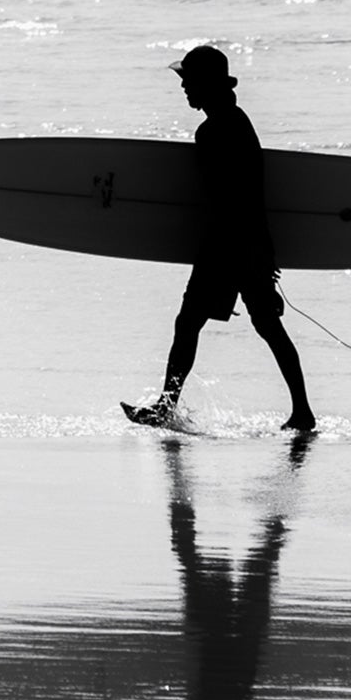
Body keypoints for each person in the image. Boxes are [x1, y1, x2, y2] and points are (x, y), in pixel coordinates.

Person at [127, 47, 315, 433]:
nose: (183, 87)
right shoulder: (235, 121)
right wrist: (262, 252)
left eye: (188, 81)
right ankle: (302, 411)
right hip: (244, 242)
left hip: (229, 244)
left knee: (192, 323)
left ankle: (166, 407)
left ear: (206, 84)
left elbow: (235, 197)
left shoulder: (215, 130)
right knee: (262, 326)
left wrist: (251, 253)